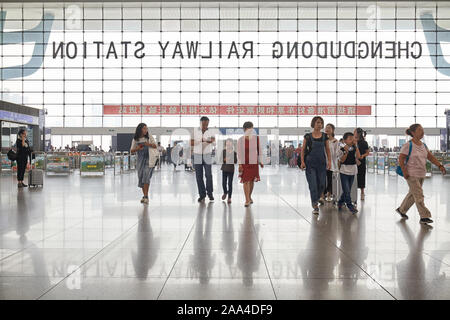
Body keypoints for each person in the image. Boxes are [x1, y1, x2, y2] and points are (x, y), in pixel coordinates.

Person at [396, 124, 446, 225]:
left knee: (412, 194)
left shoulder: (423, 146)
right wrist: (405, 171)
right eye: (419, 130)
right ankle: (424, 216)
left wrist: (440, 166)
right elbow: (401, 159)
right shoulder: (408, 145)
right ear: (413, 133)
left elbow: (430, 157)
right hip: (411, 174)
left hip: (421, 173)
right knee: (419, 195)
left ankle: (401, 210)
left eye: (422, 130)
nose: (422, 132)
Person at [300, 116, 331, 214]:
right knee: (313, 185)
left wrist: (329, 161)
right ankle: (315, 205)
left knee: (322, 184)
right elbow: (303, 150)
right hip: (310, 164)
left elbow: (327, 149)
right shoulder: (308, 136)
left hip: (321, 163)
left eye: (321, 123)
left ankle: (317, 198)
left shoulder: (325, 136)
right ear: (313, 123)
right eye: (318, 122)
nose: (319, 124)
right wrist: (302, 162)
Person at [130, 123, 158, 204]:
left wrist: (148, 144)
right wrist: (138, 148)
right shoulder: (136, 139)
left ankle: (146, 197)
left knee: (146, 176)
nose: (146, 130)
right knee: (141, 177)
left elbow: (155, 146)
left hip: (149, 158)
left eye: (146, 128)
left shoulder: (149, 137)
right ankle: (145, 195)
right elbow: (131, 150)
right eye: (144, 128)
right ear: (140, 129)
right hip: (140, 160)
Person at [237, 122, 263, 207]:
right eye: (250, 128)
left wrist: (261, 161)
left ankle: (249, 196)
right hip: (245, 163)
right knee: (245, 181)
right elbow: (239, 153)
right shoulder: (240, 140)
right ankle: (247, 199)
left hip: (254, 163)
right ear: (245, 129)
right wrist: (240, 164)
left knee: (251, 181)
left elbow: (259, 151)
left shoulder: (256, 138)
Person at [191, 116, 215, 202]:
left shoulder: (211, 131)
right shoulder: (195, 131)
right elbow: (191, 142)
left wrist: (208, 140)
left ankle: (210, 193)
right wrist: (200, 141)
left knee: (209, 175)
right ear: (200, 123)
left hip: (207, 154)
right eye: (204, 124)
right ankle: (202, 194)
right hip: (197, 155)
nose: (205, 126)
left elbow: (213, 139)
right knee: (199, 176)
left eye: (207, 124)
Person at [337, 132, 361, 214]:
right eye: (350, 139)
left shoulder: (355, 147)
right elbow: (342, 160)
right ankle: (350, 206)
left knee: (347, 190)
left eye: (353, 138)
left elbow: (358, 156)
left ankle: (340, 202)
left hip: (353, 171)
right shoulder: (342, 149)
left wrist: (356, 146)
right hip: (344, 172)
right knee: (347, 190)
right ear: (345, 140)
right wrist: (346, 152)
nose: (352, 140)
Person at [324, 123, 340, 201]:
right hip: (323, 162)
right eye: (326, 128)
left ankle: (329, 194)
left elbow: (337, 152)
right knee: (323, 179)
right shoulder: (323, 139)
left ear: (332, 130)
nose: (327, 129)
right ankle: (323, 194)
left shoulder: (335, 141)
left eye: (329, 128)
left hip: (332, 163)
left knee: (330, 179)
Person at [354, 128, 370, 200]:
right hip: (353, 161)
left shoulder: (364, 142)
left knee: (362, 176)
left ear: (358, 133)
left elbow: (367, 152)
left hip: (361, 162)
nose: (354, 133)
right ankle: (353, 192)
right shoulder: (352, 141)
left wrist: (362, 156)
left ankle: (362, 192)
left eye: (355, 132)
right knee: (354, 177)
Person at [221, 138, 238, 204]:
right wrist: (227, 159)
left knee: (230, 184)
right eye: (227, 142)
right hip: (224, 169)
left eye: (230, 142)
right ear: (226, 144)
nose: (228, 144)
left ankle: (229, 197)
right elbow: (222, 159)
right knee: (223, 183)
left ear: (232, 144)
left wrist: (227, 159)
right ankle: (225, 192)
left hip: (231, 169)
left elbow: (235, 161)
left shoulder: (234, 153)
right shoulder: (224, 151)